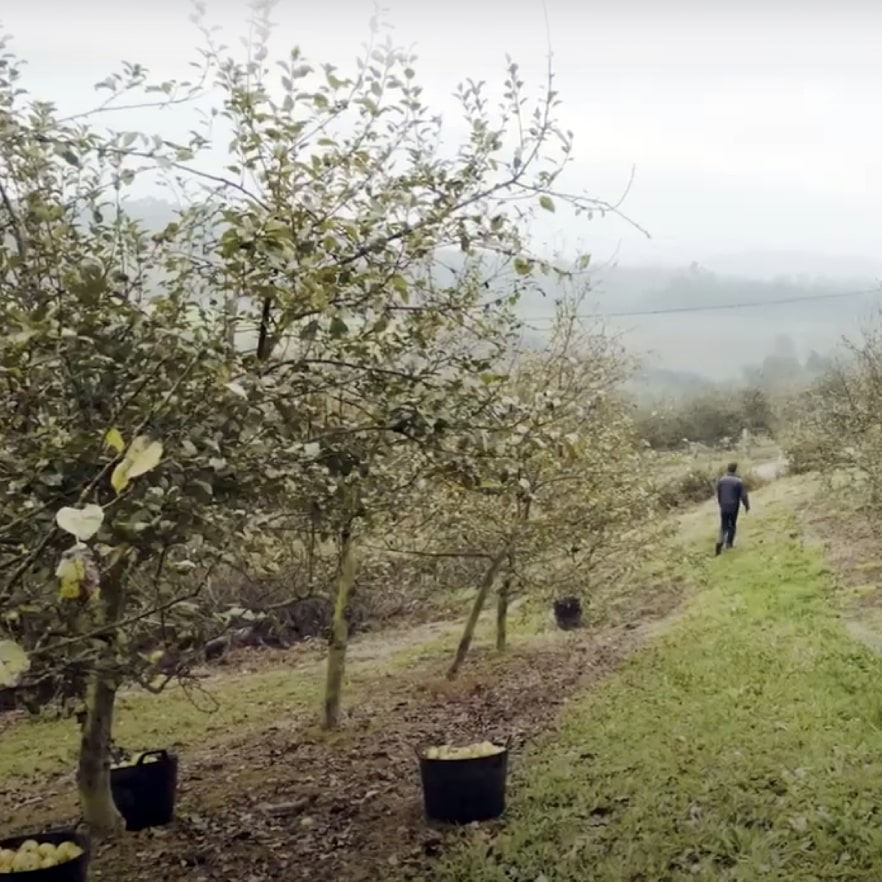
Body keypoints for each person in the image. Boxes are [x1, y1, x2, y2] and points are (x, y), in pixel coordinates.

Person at [715, 461, 750, 556]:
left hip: (724, 506)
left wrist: (720, 504)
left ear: (727, 469)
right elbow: (743, 496)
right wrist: (747, 506)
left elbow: (718, 494)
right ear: (736, 470)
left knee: (723, 526)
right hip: (733, 506)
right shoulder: (738, 481)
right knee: (732, 525)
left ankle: (719, 544)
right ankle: (729, 544)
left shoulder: (721, 480)